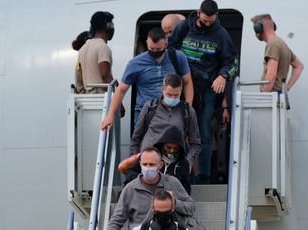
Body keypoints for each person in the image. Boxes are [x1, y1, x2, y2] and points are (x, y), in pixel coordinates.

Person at [168, 0, 238, 182]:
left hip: (207, 89)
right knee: (179, 129)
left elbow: (232, 61)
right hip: (184, 84)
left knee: (204, 131)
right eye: (206, 20)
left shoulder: (220, 34)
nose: (208, 24)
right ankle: (179, 174)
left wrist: (223, 75)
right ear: (199, 13)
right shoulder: (184, 27)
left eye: (212, 21)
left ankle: (203, 176)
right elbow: (170, 50)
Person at [100, 28, 194, 130]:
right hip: (145, 114)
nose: (154, 52)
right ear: (146, 43)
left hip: (172, 113)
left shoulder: (178, 57)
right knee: (144, 145)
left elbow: (187, 82)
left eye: (158, 49)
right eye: (151, 49)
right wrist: (110, 115)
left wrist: (187, 108)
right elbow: (121, 90)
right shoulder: (135, 63)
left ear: (166, 44)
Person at [129, 73, 200, 181]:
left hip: (174, 167)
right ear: (163, 89)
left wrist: (187, 162)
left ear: (181, 91)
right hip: (149, 163)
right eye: (169, 94)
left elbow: (195, 143)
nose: (173, 98)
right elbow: (136, 138)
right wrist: (136, 162)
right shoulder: (150, 107)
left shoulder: (187, 111)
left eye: (177, 95)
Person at [251, 14, 304, 93]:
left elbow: (271, 76)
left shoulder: (273, 45)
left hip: (272, 97)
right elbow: (299, 66)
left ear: (259, 28)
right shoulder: (281, 43)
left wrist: (264, 97)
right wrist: (287, 87)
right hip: (279, 95)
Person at [72, 11, 115, 94]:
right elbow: (105, 76)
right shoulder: (102, 47)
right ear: (107, 26)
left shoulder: (82, 49)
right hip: (102, 99)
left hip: (89, 101)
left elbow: (79, 78)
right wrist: (118, 96)